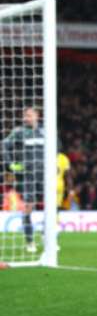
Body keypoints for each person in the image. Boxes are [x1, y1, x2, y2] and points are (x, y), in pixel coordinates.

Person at [2, 107, 45, 253]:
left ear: (37, 116)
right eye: (24, 115)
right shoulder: (19, 132)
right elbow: (3, 145)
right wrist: (10, 164)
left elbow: (57, 148)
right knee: (28, 207)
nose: (26, 118)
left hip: (45, 174)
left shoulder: (45, 132)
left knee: (53, 206)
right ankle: (30, 241)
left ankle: (48, 237)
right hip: (28, 175)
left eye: (29, 115)